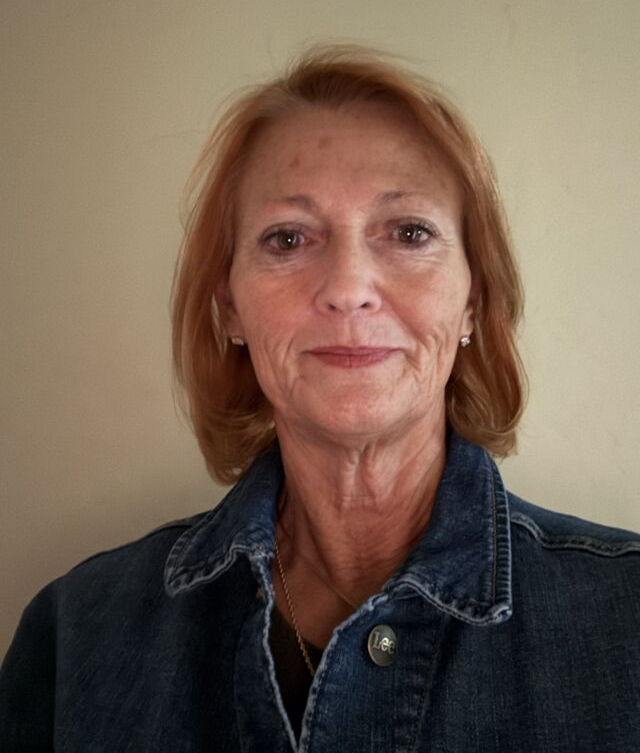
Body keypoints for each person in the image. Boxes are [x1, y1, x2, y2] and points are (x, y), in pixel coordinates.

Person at [1, 45, 638, 752]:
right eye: (288, 238)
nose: (347, 288)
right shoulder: (77, 636)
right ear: (230, 306)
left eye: (410, 232)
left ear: (472, 300)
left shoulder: (625, 621)